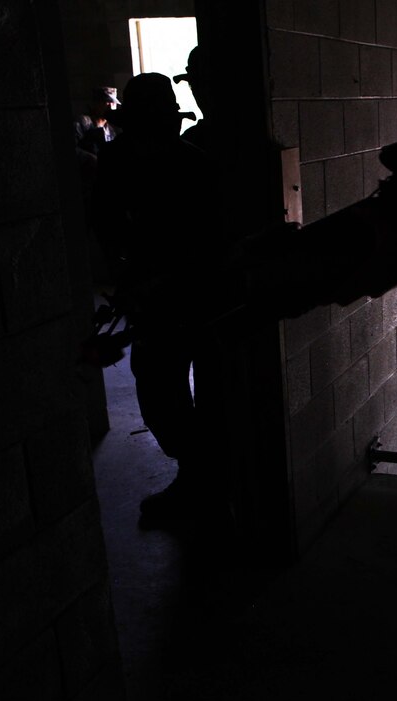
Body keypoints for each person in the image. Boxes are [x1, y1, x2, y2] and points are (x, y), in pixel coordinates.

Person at [91, 72, 235, 527]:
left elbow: (215, 242)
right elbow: (107, 228)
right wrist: (128, 278)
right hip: (159, 301)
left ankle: (204, 481)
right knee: (159, 396)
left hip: (200, 297)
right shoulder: (117, 165)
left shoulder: (196, 167)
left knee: (208, 396)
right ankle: (200, 477)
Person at [75, 85, 121, 157]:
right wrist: (90, 158)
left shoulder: (111, 131)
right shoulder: (83, 123)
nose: (111, 107)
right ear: (96, 103)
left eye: (113, 103)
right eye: (107, 102)